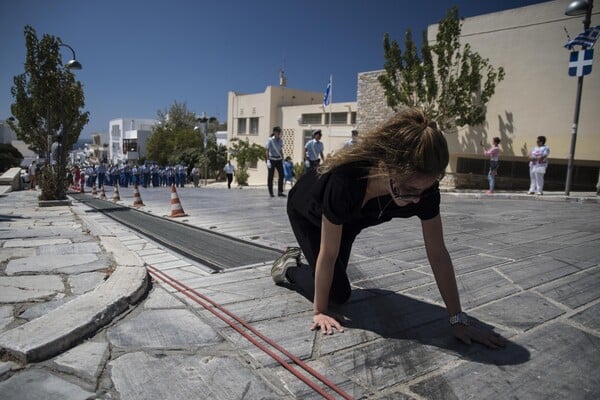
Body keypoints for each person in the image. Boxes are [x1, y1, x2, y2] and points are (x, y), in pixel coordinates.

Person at [270, 108, 506, 348]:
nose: (417, 199)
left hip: (350, 221)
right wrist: (320, 311)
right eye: (409, 190)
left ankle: (310, 273)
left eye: (425, 189)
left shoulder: (424, 191)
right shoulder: (346, 181)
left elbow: (438, 253)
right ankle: (289, 267)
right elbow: (328, 253)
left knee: (335, 284)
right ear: (386, 168)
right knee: (337, 295)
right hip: (307, 211)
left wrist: (458, 320)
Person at [265, 126, 286, 197]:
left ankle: (280, 192)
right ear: (274, 132)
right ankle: (271, 192)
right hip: (271, 159)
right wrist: (267, 160)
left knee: (282, 175)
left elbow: (280, 150)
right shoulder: (270, 140)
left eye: (279, 132)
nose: (279, 133)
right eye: (277, 131)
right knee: (271, 176)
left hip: (278, 159)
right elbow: (267, 150)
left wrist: (283, 159)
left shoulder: (280, 140)